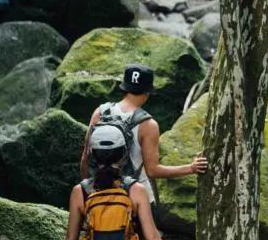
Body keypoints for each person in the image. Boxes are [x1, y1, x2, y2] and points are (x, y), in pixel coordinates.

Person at [80, 64, 208, 201]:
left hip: (100, 195)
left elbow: (85, 158)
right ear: (147, 92)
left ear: (125, 87)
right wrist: (191, 168)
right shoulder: (148, 124)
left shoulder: (100, 112)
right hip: (135, 198)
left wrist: (90, 192)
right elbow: (153, 171)